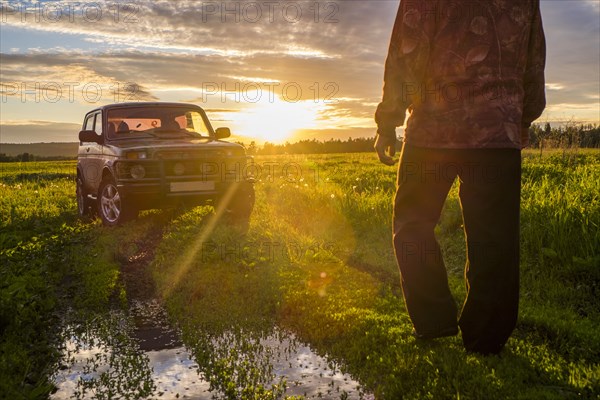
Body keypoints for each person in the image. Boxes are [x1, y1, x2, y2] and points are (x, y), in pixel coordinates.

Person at [374, 0, 546, 355]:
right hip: (497, 131)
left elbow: (406, 51)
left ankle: (434, 318)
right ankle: (486, 337)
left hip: (434, 133)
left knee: (412, 224)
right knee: (494, 238)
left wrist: (388, 122)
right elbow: (534, 57)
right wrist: (523, 117)